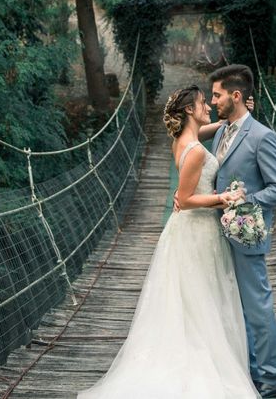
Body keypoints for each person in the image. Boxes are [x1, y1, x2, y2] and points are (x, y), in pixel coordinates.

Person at [78, 85, 260, 399]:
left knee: (192, 301)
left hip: (189, 232)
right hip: (197, 231)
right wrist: (224, 198)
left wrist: (240, 117)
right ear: (190, 110)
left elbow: (210, 130)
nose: (209, 107)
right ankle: (201, 368)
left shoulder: (184, 141)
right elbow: (186, 199)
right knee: (203, 299)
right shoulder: (194, 152)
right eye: (204, 103)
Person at [208, 64, 276, 398]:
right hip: (215, 236)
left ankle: (274, 381)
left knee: (257, 308)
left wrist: (243, 201)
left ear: (236, 95)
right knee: (232, 308)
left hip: (246, 234)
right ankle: (251, 375)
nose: (213, 101)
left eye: (217, 94)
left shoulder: (263, 137)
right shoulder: (219, 133)